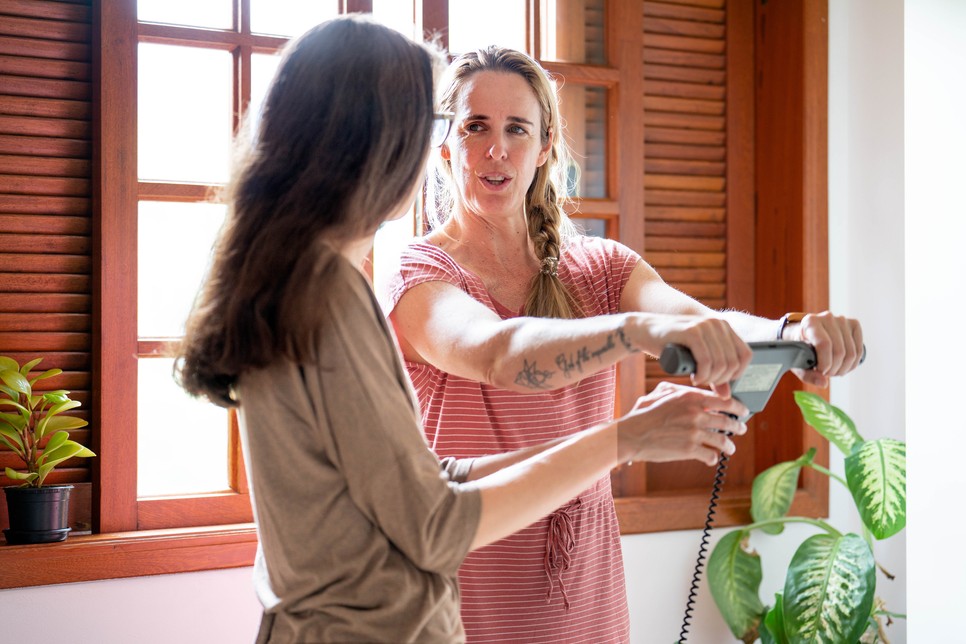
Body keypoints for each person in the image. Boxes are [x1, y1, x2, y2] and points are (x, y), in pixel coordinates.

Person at [174, 17, 751, 644]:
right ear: (372, 142)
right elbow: (437, 521)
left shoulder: (310, 284)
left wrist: (634, 434)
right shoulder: (329, 294)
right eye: (442, 128)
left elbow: (422, 480)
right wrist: (625, 432)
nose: (434, 150)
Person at [383, 46, 865, 642]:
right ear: (446, 146)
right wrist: (639, 331)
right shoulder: (420, 274)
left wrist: (790, 333)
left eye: (517, 129)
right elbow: (496, 353)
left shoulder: (601, 268)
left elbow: (699, 321)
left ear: (545, 146)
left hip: (589, 604)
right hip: (467, 607)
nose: (497, 149)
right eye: (476, 127)